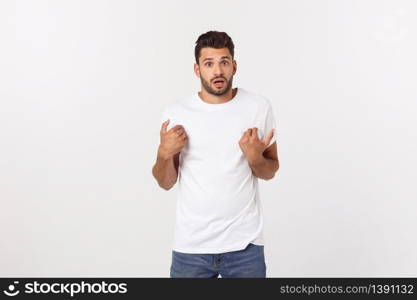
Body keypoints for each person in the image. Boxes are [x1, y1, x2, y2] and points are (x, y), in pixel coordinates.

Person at [152, 31, 279, 278]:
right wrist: (163, 154)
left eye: (224, 62)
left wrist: (255, 158)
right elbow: (165, 182)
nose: (218, 71)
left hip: (245, 247)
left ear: (234, 66)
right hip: (191, 247)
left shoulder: (258, 107)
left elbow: (270, 171)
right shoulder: (176, 112)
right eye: (209, 64)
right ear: (197, 70)